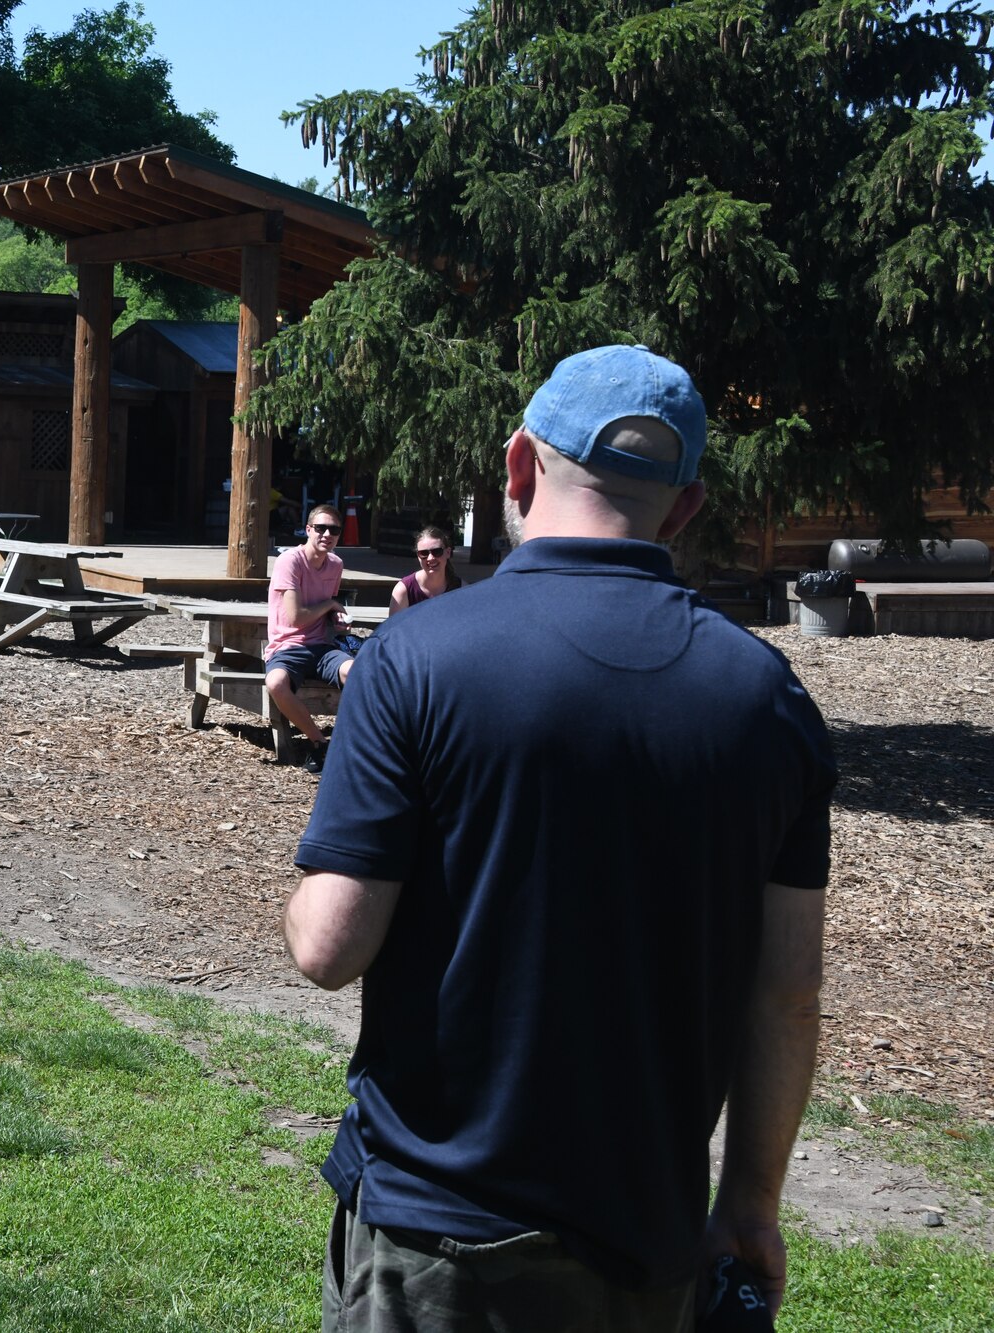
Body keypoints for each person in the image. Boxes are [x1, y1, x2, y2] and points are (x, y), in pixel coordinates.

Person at [283, 345, 836, 1331]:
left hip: (432, 1239)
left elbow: (328, 947)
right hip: (643, 1249)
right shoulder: (768, 704)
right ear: (682, 510)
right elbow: (787, 991)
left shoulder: (413, 660)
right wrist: (749, 1203)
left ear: (517, 468)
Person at [264, 502, 358, 774]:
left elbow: (321, 609)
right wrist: (330, 605)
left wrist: (337, 619)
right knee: (276, 682)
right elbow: (295, 617)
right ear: (308, 530)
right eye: (321, 528)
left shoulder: (336, 564)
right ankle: (319, 742)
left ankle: (350, 742)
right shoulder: (289, 561)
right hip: (287, 646)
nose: (327, 534)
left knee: (357, 672)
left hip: (322, 646)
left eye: (334, 530)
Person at [386, 524, 463, 616]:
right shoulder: (403, 591)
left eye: (437, 551)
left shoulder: (462, 589)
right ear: (418, 556)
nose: (430, 558)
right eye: (423, 553)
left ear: (448, 553)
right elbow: (394, 629)